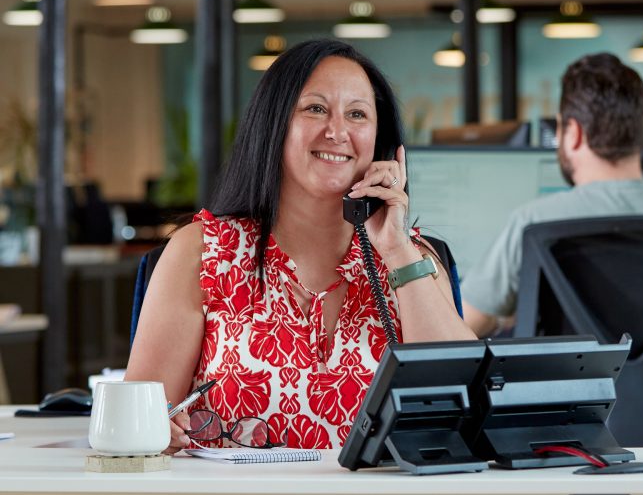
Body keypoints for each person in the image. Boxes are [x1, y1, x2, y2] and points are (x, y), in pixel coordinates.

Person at [127, 38, 475, 453]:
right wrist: (161, 428)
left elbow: (466, 403)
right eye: (315, 108)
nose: (337, 131)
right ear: (274, 124)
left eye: (357, 114)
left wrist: (397, 248)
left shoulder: (411, 256)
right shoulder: (202, 250)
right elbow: (137, 423)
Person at [461, 52, 643, 337]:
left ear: (573, 132)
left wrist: (501, 319)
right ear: (640, 131)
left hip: (572, 386)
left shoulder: (533, 223)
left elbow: (462, 328)